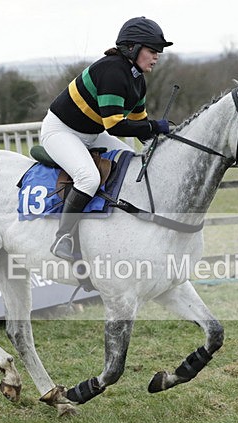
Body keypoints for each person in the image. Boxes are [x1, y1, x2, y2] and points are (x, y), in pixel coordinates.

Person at [40, 16, 173, 261]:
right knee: (88, 178)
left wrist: (160, 142)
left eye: (158, 52)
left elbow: (139, 125)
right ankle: (63, 237)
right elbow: (115, 126)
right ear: (132, 48)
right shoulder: (112, 72)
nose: (156, 57)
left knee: (130, 161)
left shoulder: (137, 80)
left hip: (91, 132)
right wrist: (156, 126)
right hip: (61, 132)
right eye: (153, 51)